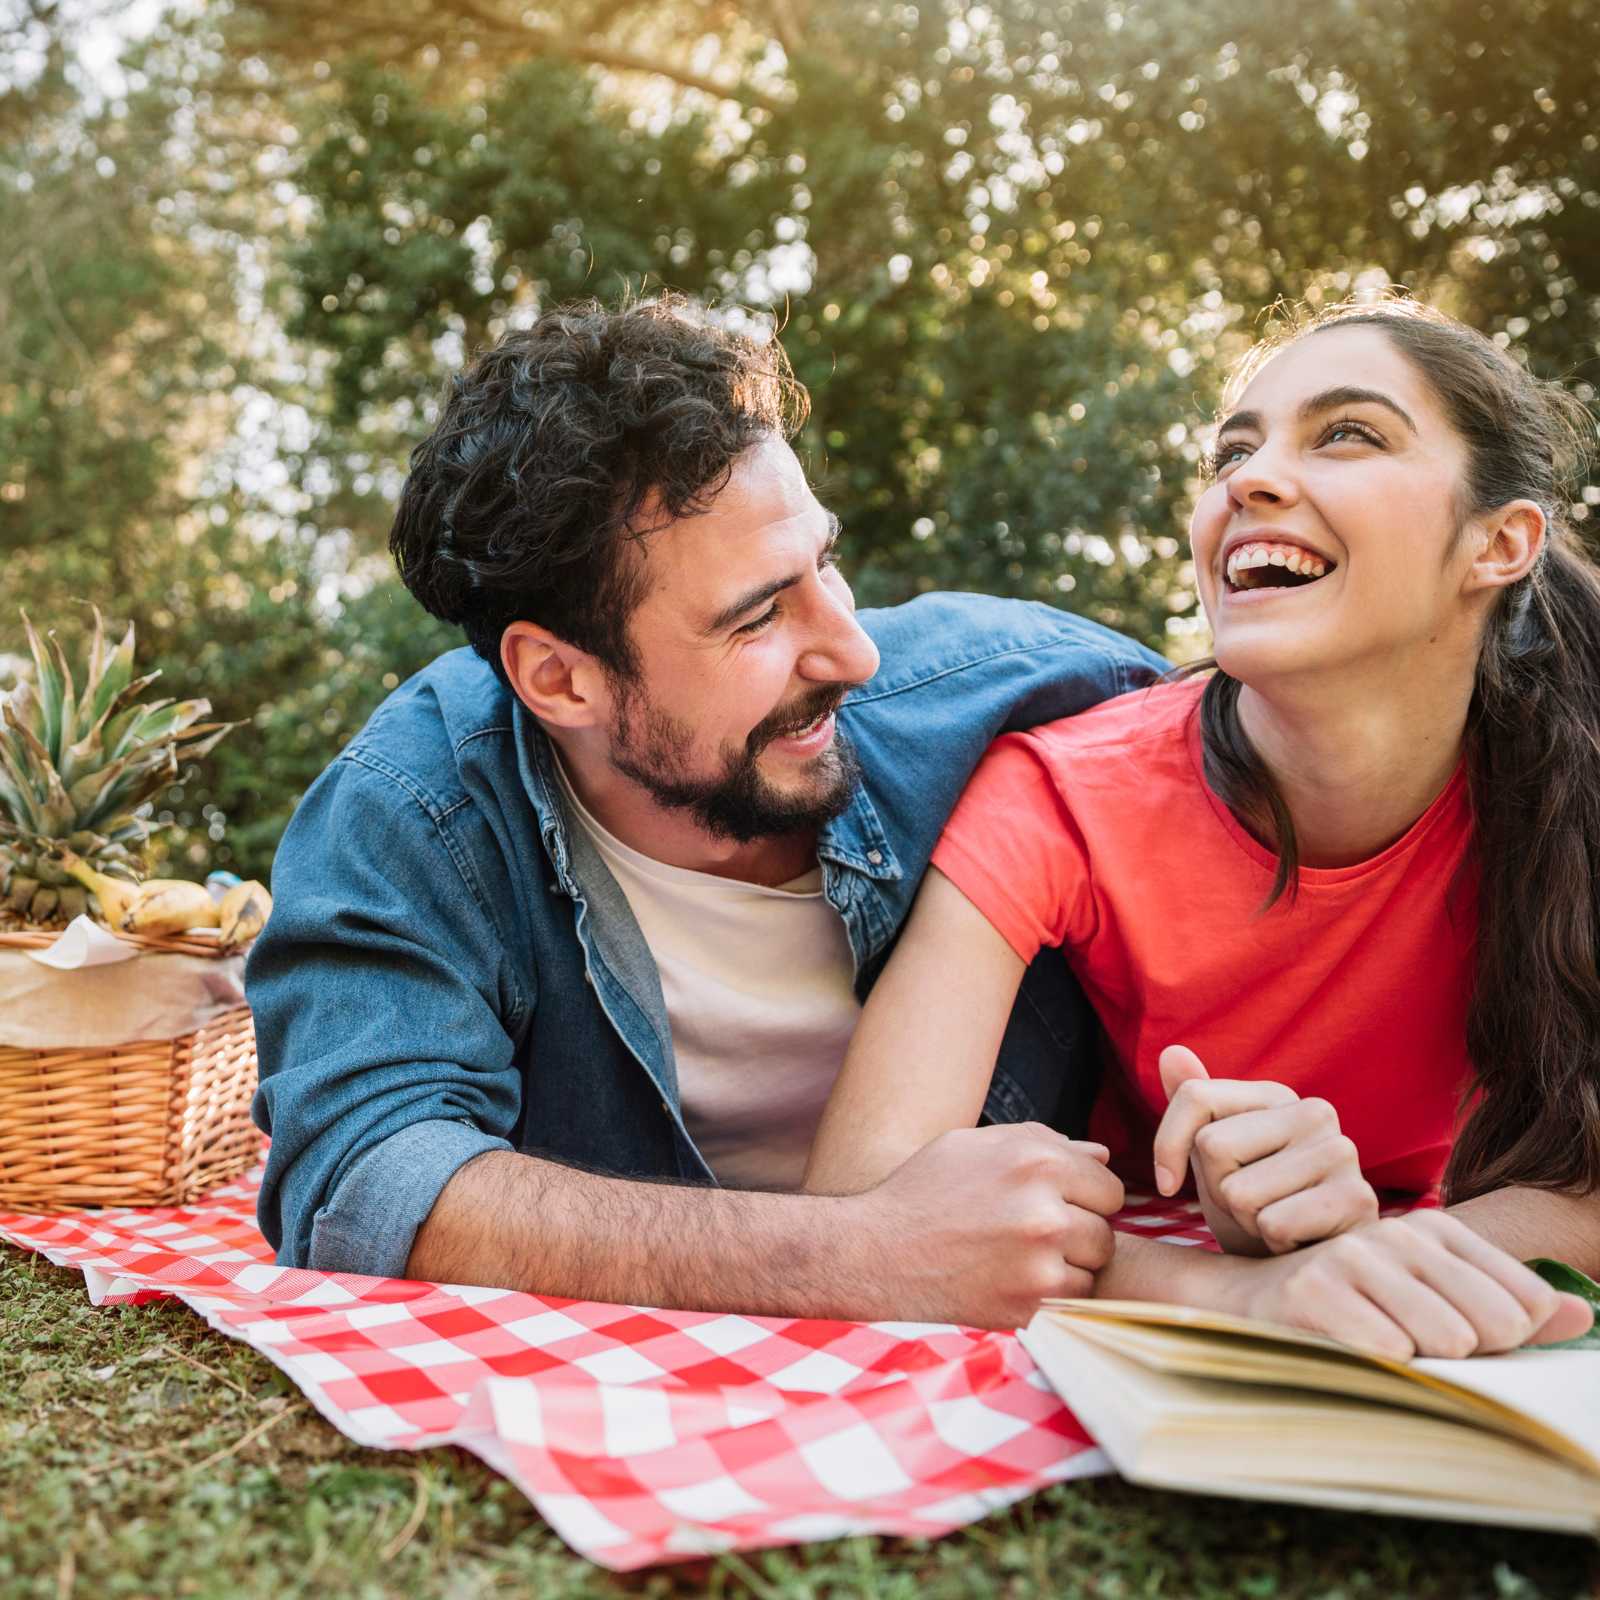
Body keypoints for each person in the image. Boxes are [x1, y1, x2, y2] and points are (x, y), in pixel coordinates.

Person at [245, 296, 1165, 1326]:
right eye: (757, 617)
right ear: (559, 679)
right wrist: (858, 1255)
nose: (851, 653)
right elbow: (362, 1176)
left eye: (824, 561)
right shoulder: (410, 809)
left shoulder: (1037, 691)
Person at [804, 298, 1600, 1358]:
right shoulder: (1059, 792)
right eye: (1234, 448)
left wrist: (1374, 1255)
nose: (1248, 479)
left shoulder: (1567, 784)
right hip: (1154, 1243)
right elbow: (867, 1196)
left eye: (1347, 433)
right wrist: (1251, 1293)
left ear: (1498, 543)